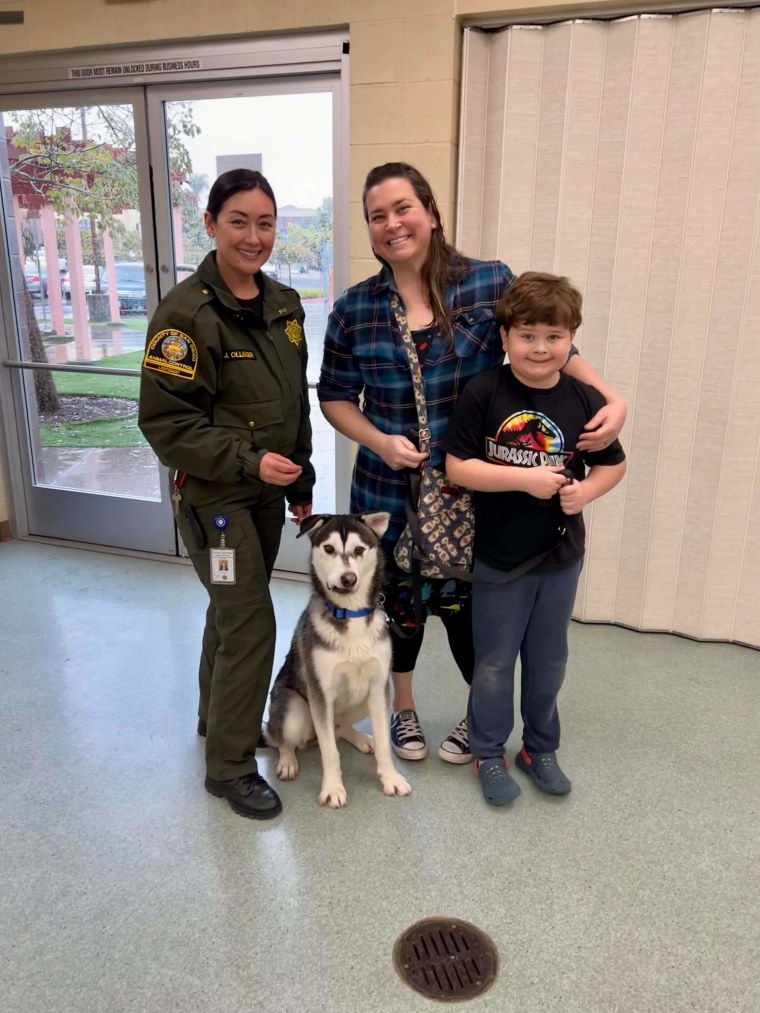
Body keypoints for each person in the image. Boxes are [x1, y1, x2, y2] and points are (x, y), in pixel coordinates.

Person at [317, 162, 626, 766]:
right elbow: (333, 396)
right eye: (377, 216)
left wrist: (614, 399)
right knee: (397, 601)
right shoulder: (355, 308)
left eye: (403, 208)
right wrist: (379, 441)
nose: (391, 224)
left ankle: (475, 716)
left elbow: (555, 347)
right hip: (390, 485)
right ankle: (401, 709)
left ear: (431, 213)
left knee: (474, 607)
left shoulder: (488, 283)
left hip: (482, 483)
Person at [139, 169, 314, 820]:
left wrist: (302, 478)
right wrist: (248, 460)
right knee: (251, 620)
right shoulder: (185, 316)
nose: (253, 235)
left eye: (265, 222)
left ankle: (216, 717)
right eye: (238, 220)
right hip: (217, 499)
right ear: (210, 225)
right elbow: (166, 424)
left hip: (268, 492)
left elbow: (295, 401)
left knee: (230, 607)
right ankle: (231, 766)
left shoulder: (284, 306)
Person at [443, 272, 626, 804]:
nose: (540, 348)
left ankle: (539, 748)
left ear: (572, 340)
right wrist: (523, 478)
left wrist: (586, 493)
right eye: (526, 335)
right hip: (498, 558)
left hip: (560, 556)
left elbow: (615, 466)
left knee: (549, 660)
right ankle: (487, 753)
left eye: (553, 336)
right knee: (495, 661)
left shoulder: (586, 400)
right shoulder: (485, 391)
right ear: (505, 338)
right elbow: (458, 467)